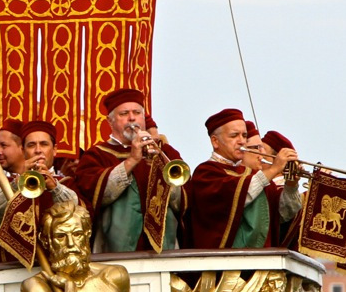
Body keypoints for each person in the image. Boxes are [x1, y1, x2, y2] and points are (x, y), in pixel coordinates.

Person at [69, 89, 186, 252]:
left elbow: (182, 202)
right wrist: (132, 161)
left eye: (137, 113)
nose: (132, 118)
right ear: (110, 121)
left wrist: (159, 164)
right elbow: (96, 198)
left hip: (164, 251)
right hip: (115, 254)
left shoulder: (166, 152)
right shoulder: (96, 155)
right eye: (124, 114)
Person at [184, 108, 302, 249]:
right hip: (222, 262)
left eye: (244, 135)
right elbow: (239, 195)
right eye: (234, 136)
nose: (241, 141)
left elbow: (283, 214)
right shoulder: (206, 172)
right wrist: (274, 169)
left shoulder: (251, 174)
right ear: (215, 141)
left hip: (262, 260)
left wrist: (291, 184)